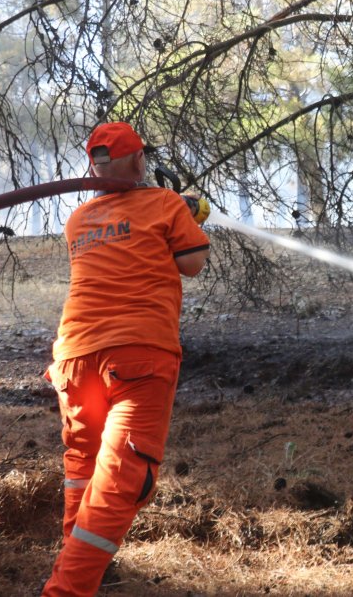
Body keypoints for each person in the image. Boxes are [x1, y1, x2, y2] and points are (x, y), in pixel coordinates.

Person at [41, 121, 210, 596]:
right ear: (139, 161)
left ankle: (87, 564)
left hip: (74, 358)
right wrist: (189, 213)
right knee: (121, 481)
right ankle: (67, 589)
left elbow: (121, 243)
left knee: (83, 464)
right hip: (139, 356)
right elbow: (192, 263)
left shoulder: (78, 220)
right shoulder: (165, 203)